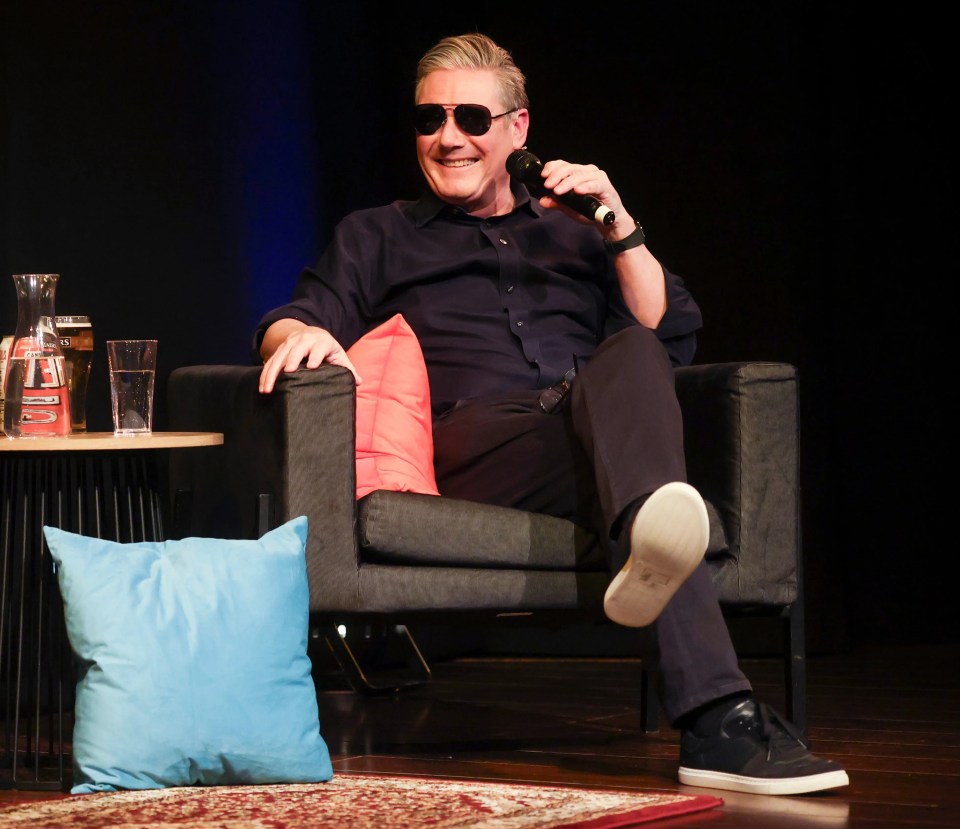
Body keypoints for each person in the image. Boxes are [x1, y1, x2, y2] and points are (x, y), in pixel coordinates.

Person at [254, 32, 848, 796]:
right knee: (650, 463)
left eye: (471, 117)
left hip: (593, 431)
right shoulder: (379, 234)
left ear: (518, 129)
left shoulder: (576, 233)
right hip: (482, 442)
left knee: (632, 354)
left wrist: (618, 222)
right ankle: (720, 712)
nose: (448, 137)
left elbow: (669, 332)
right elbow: (298, 312)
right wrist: (296, 333)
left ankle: (703, 683)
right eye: (429, 119)